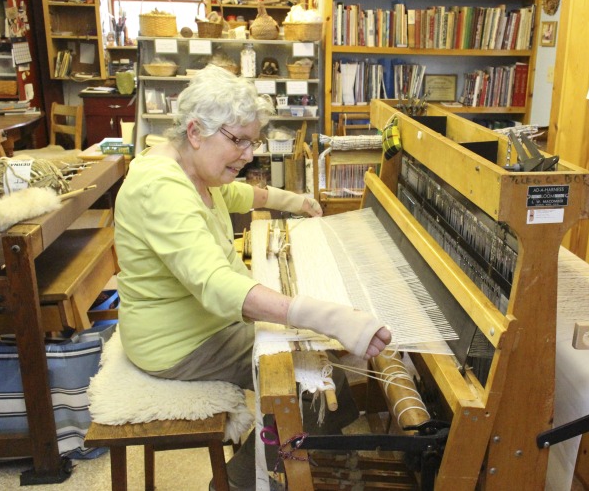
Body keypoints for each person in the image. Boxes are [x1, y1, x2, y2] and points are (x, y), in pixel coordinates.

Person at [113, 64, 392, 490]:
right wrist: (323, 316)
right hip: (177, 343)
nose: (248, 154)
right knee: (313, 384)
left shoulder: (189, 166)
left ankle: (315, 459)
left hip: (202, 324)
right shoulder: (160, 187)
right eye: (239, 141)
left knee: (314, 365)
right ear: (194, 131)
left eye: (253, 141)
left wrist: (293, 201)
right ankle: (242, 483)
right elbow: (215, 283)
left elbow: (235, 192)